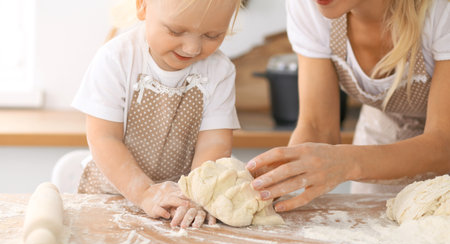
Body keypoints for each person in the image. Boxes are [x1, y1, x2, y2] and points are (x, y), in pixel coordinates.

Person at [246, 0, 450, 212]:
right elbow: (318, 127)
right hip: (385, 128)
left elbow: (444, 143)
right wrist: (277, 179)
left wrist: (349, 162)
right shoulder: (308, 5)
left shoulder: (441, 9)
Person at [70, 0, 242, 228]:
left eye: (212, 35)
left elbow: (215, 142)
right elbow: (104, 138)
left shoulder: (219, 70)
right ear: (143, 6)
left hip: (179, 204)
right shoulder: (116, 59)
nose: (192, 48)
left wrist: (197, 196)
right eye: (176, 31)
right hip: (112, 196)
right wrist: (144, 192)